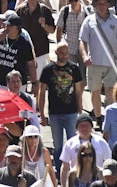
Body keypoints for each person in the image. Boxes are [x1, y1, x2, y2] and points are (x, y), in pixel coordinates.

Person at [37, 40, 85, 170]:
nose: (64, 55)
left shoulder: (74, 68)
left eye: (66, 53)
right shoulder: (48, 69)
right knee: (57, 145)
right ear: (56, 52)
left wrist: (80, 110)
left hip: (71, 112)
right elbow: (41, 93)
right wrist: (42, 114)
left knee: (74, 143)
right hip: (55, 113)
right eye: (61, 53)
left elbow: (78, 91)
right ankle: (59, 172)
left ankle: (75, 170)